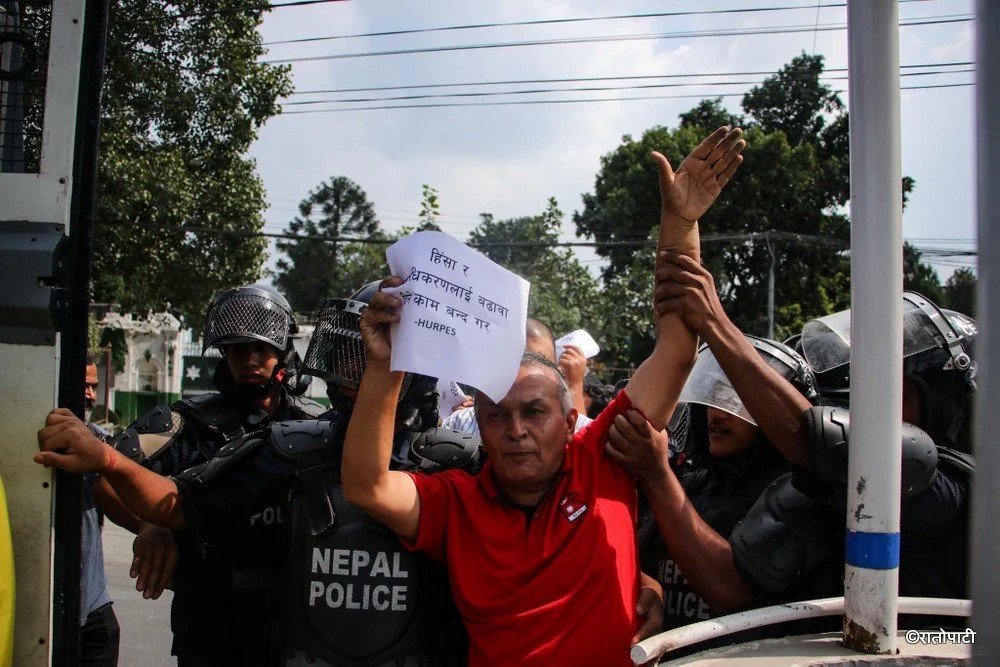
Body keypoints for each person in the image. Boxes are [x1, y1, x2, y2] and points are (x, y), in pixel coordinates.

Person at [339, 126, 746, 665]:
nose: (517, 431)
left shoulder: (605, 459)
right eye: (496, 415)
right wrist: (387, 365)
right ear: (476, 423)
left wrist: (681, 225)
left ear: (572, 415)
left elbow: (675, 347)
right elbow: (368, 487)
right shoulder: (455, 504)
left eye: (535, 411)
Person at [609, 259, 973, 635]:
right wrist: (649, 587)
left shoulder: (953, 484)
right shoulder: (813, 486)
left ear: (943, 404)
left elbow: (835, 448)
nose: (872, 416)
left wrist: (714, 323)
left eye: (895, 397)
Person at [106, 285, 325, 666]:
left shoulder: (315, 426)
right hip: (210, 622)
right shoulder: (182, 423)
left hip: (295, 620)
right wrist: (149, 525)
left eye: (261, 349)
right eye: (239, 349)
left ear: (283, 352)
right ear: (225, 355)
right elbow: (105, 473)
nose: (250, 360)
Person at [629, 335, 817, 630]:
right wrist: (648, 585)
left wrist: (656, 474)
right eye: (714, 397)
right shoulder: (695, 484)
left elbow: (728, 590)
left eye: (737, 401)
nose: (716, 414)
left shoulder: (801, 494)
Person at [441, 318, 594, 435]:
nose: (517, 432)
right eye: (517, 362)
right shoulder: (461, 423)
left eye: (539, 363)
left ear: (569, 423)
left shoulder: (585, 431)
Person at [80, 356, 121, 667]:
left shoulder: (100, 443)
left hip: (94, 602)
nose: (91, 394)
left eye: (94, 386)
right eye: (84, 385)